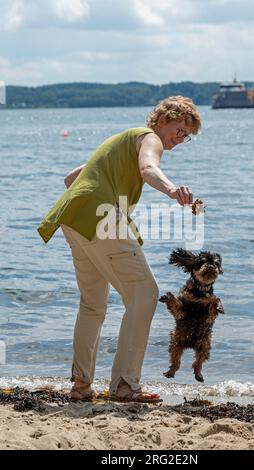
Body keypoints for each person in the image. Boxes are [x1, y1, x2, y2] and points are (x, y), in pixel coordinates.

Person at [37, 96, 201, 402]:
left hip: (72, 218)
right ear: (163, 120)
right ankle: (125, 385)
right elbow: (148, 167)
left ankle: (81, 387)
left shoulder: (121, 140)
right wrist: (171, 189)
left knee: (92, 305)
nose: (181, 138)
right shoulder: (149, 138)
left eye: (187, 136)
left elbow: (71, 178)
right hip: (99, 218)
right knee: (145, 293)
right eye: (179, 129)